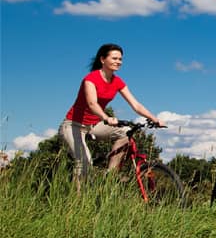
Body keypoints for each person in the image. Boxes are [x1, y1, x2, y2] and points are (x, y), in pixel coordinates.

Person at [59, 44, 163, 194]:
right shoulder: (91, 79)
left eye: (120, 59)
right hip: (73, 125)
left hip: (94, 125)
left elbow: (136, 104)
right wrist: (106, 117)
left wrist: (155, 119)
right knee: (84, 162)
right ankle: (78, 202)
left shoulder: (117, 81)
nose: (118, 61)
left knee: (126, 133)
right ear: (102, 59)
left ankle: (110, 175)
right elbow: (92, 104)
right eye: (114, 58)